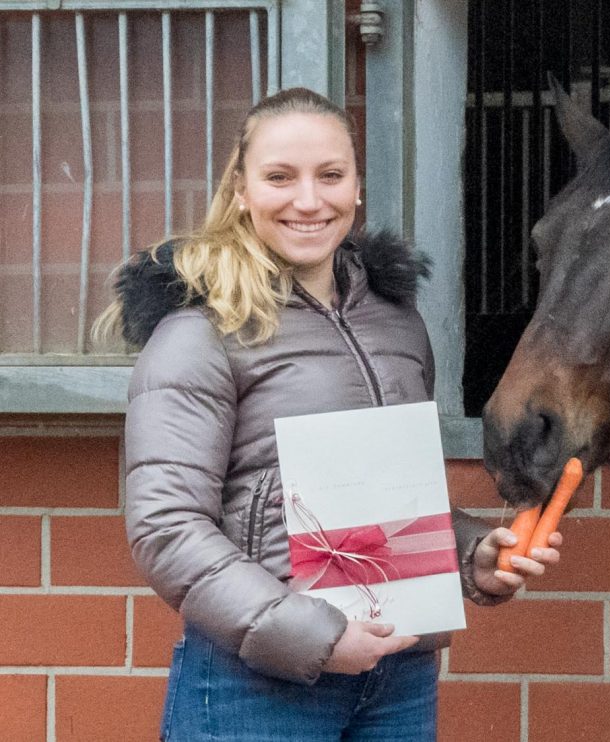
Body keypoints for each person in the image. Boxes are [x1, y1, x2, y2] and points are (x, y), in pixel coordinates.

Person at [96, 87, 557, 741]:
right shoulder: (200, 333)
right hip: (259, 685)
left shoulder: (397, 324)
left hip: (396, 676)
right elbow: (167, 528)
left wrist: (470, 557)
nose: (308, 201)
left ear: (357, 187)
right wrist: (311, 635)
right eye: (280, 177)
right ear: (241, 191)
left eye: (330, 176)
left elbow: (385, 505)